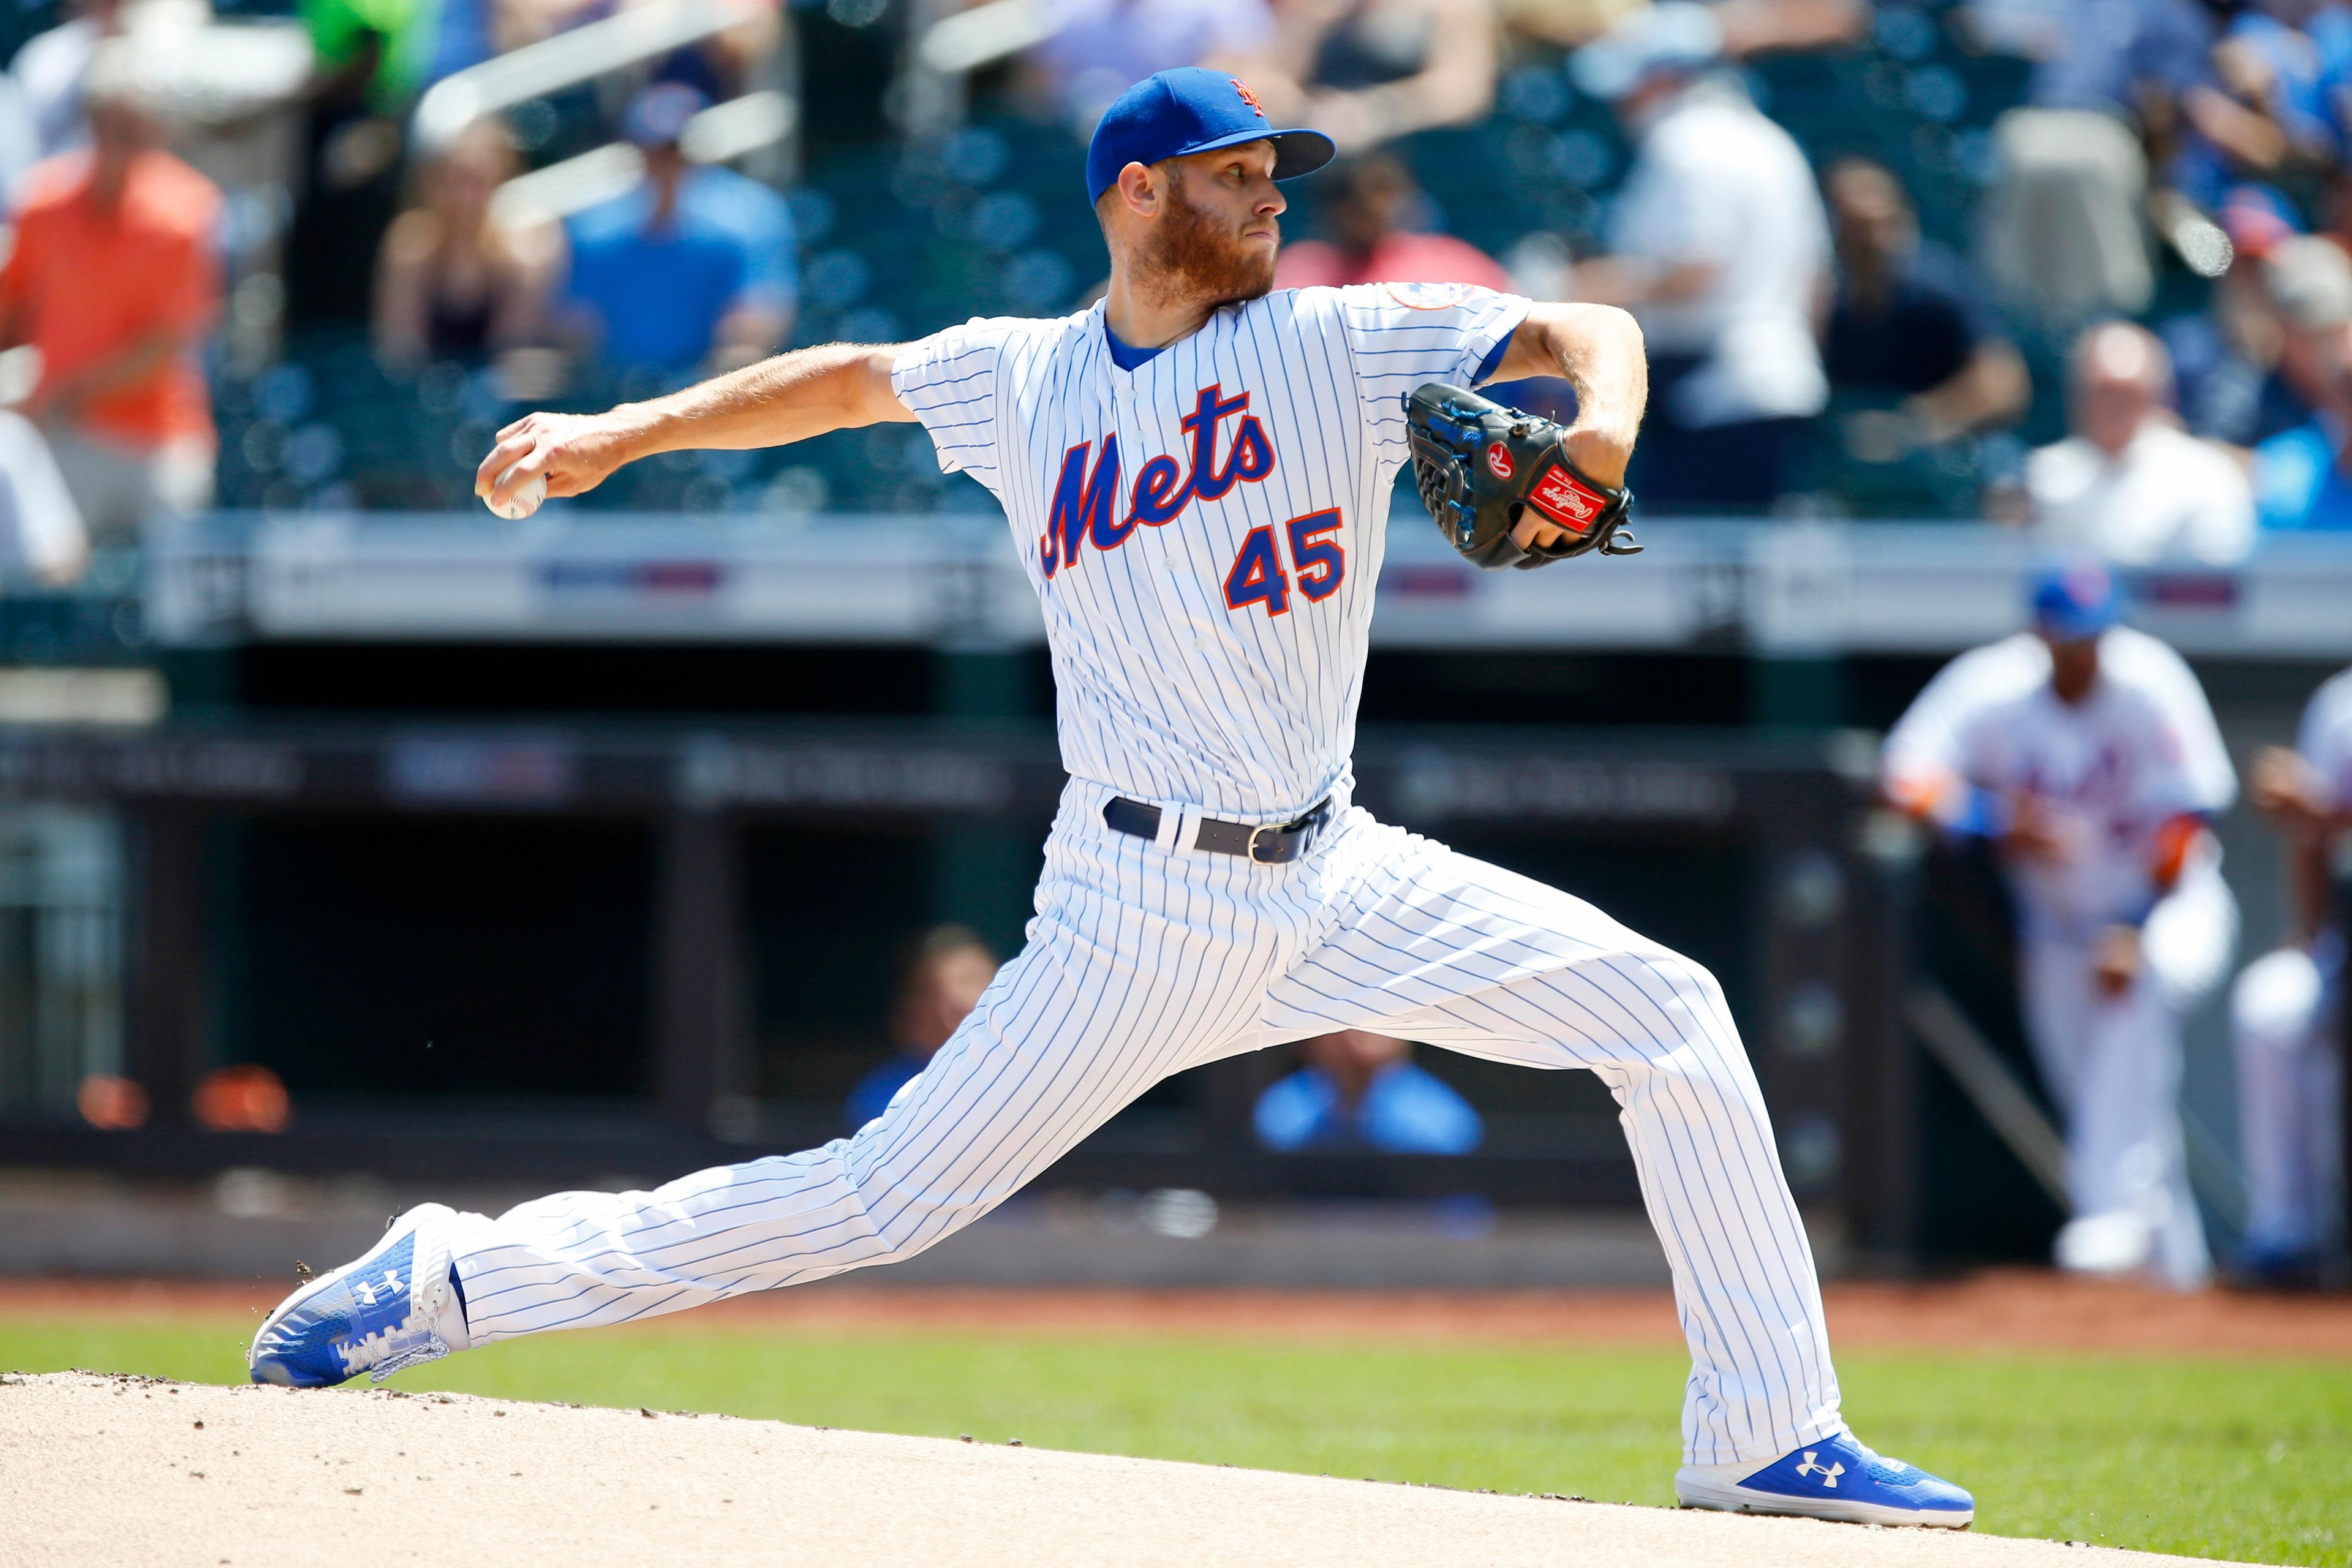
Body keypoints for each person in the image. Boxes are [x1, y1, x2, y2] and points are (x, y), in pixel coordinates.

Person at [258, 66, 1974, 1529]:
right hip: (1134, 913)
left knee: (1667, 1012)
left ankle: (1763, 1431)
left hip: (1334, 868)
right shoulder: (1026, 379)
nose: (1272, 202)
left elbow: (1582, 324)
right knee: (875, 1201)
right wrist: (619, 432)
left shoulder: (1338, 345)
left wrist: (1597, 426)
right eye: (1238, 179)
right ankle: (456, 1276)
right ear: (1139, 192)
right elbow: (846, 377)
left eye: (1276, 177)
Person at [1882, 559, 2239, 1291]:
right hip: (2059, 930)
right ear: (2038, 633)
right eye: (2068, 638)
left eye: (2094, 636)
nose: (2083, 652)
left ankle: (2108, 1214)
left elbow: (2190, 812)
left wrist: (2136, 926)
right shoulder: (1993, 685)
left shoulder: (2149, 677)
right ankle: (2179, 1282)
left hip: (2171, 906)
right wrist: (1989, 820)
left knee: (2134, 998)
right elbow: (1904, 777)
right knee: (2111, 1101)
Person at [1567, 2, 1830, 512]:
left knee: (1691, 565)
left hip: (1712, 396)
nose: (1621, 102)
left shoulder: (1686, 143)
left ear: (1665, 78)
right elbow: (1816, 282)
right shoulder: (1773, 143)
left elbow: (1697, 268)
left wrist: (1587, 289)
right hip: (1774, 387)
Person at [0, 54, 221, 545]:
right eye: (115, 127)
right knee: (50, 583)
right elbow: (8, 304)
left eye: (138, 130)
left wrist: (65, 392)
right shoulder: (41, 203)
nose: (127, 144)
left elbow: (165, 342)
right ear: (92, 125)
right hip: (62, 436)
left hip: (158, 439)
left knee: (175, 594)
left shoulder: (187, 211)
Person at [2228, 666, 2350, 1286]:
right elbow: (2310, 836)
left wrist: (2329, 809)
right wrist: (2313, 934)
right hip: (2346, 941)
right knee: (2271, 1005)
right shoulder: (2341, 702)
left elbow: (2323, 814)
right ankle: (2290, 1230)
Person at [560, 84, 798, 379]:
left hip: (709, 387)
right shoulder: (594, 228)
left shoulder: (752, 216)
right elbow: (579, 330)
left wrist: (692, 403)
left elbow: (753, 329)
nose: (668, 161)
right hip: (621, 387)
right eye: (656, 149)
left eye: (676, 149)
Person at [1819, 159, 2027, 450]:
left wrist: (1912, 425)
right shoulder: (1823, 298)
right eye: (1857, 227)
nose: (1873, 241)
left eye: (1882, 223)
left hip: (1943, 456)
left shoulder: (1940, 287)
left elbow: (2003, 383)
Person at [2019, 323, 2256, 565]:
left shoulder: (2208, 476)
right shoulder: (2043, 475)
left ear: (2162, 396)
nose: (2113, 408)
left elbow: (2220, 584)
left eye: (2127, 395)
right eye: (2102, 392)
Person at [374, 116, 564, 369]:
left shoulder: (528, 250)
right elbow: (400, 353)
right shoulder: (410, 246)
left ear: (500, 177)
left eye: (475, 180)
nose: (462, 196)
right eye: (451, 179)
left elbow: (511, 354)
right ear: (429, 181)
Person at [1271, 153, 1512, 292]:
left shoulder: (1453, 266)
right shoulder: (1295, 271)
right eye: (1350, 201)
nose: (1370, 209)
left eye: (1382, 192)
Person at [843, 926, 1001, 1131]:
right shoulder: (885, 1100)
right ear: (906, 1010)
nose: (958, 1000)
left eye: (970, 981)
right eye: (934, 990)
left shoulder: (1035, 1066)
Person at [1253, 1028, 1481, 1153]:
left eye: (1370, 1024)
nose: (1355, 1039)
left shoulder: (1440, 1112)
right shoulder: (1282, 1106)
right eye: (1343, 1025)